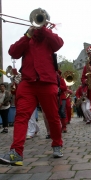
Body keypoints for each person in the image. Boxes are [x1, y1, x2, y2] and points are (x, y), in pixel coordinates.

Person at [0, 8, 64, 166]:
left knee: (52, 117)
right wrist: (28, 35)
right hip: (27, 83)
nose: (39, 22)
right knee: (21, 116)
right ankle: (16, 152)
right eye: (38, 20)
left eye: (41, 20)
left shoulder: (50, 38)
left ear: (46, 22)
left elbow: (59, 43)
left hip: (47, 82)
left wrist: (44, 29)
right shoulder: (27, 38)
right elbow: (13, 52)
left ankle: (57, 144)